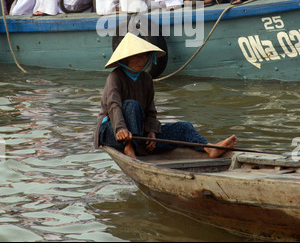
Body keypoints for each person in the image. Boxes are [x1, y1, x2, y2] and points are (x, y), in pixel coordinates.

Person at [94, 32, 237, 159]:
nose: (141, 60)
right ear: (126, 59)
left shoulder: (147, 79)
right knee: (132, 105)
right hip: (113, 132)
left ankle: (209, 148)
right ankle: (129, 146)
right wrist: (120, 129)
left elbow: (150, 111)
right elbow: (114, 105)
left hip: (139, 133)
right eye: (136, 57)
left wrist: (151, 131)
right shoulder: (115, 77)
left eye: (144, 56)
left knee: (184, 127)